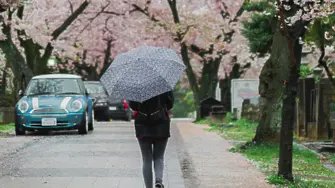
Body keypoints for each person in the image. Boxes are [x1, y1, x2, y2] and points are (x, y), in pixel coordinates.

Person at [129, 91, 174, 188]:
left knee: (147, 159)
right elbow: (170, 104)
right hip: (161, 123)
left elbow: (133, 106)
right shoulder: (164, 84)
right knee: (159, 157)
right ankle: (158, 181)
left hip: (142, 124)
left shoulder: (136, 86)